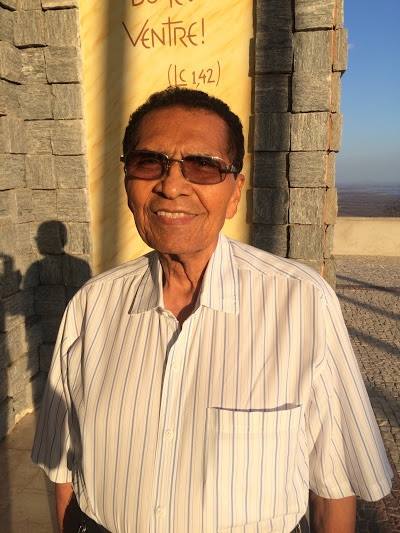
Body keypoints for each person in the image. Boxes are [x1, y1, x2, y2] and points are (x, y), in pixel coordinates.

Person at [32, 87, 392, 533]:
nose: (171, 185)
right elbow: (64, 469)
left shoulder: (302, 303)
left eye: (203, 166)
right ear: (127, 183)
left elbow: (333, 488)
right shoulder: (91, 306)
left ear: (235, 191)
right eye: (149, 162)